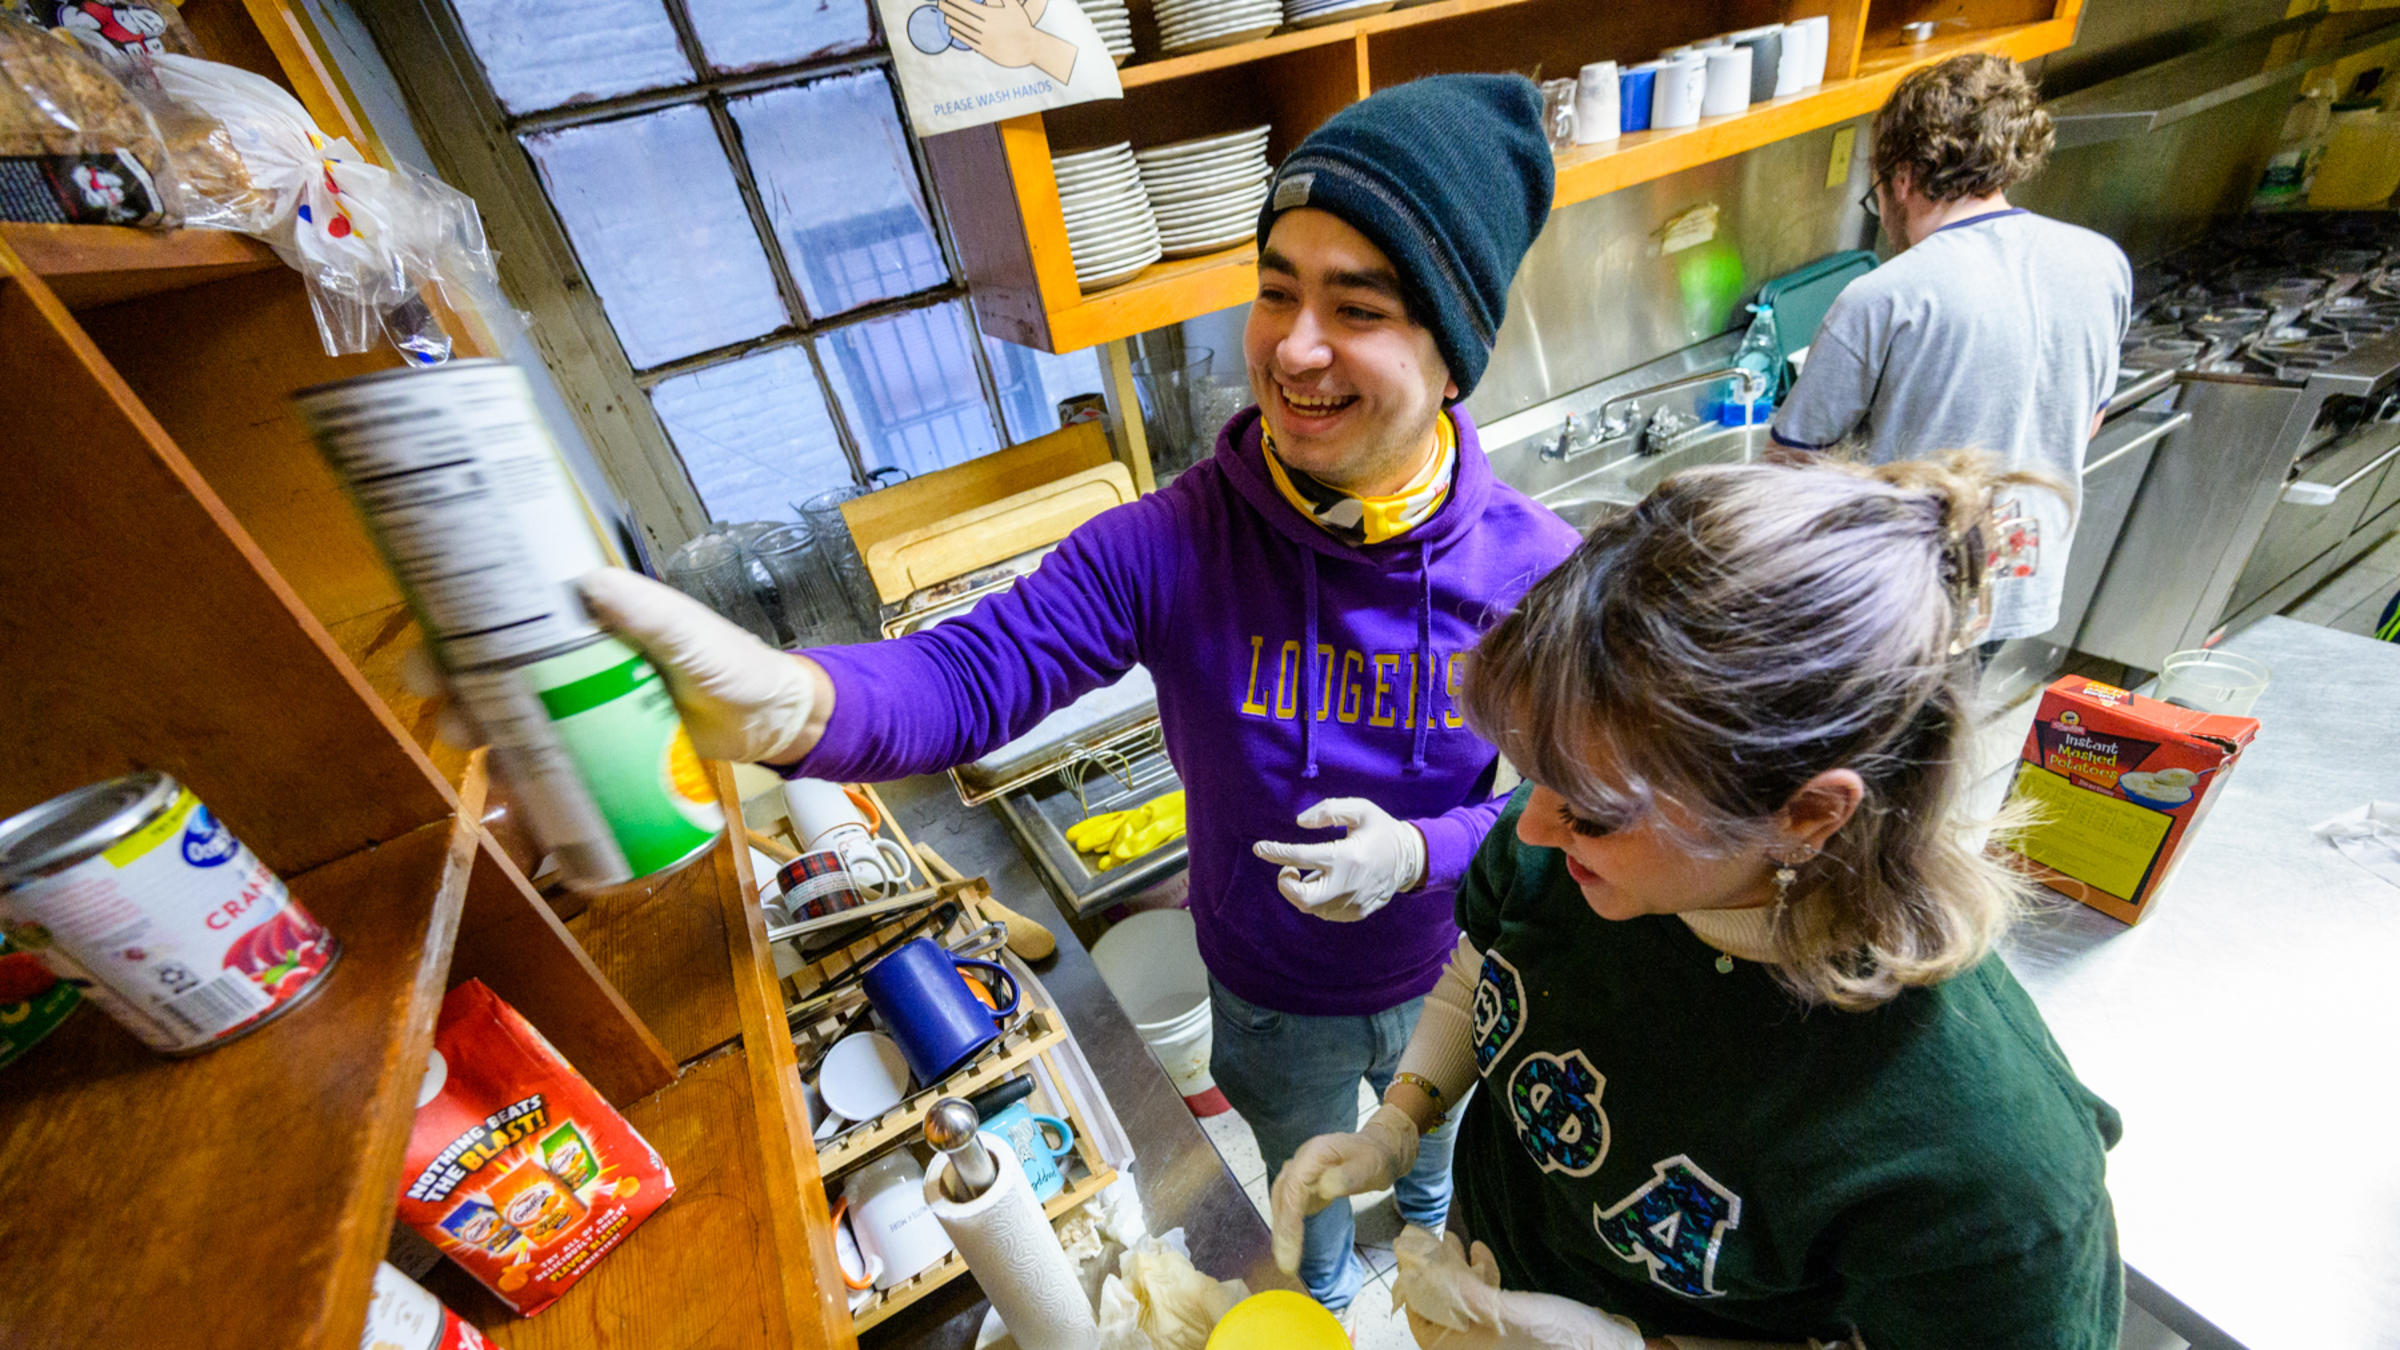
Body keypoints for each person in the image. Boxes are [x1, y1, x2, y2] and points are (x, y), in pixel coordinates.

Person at [571, 75, 1581, 1312]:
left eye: (1357, 308)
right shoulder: (1174, 541)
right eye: (1277, 291)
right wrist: (799, 709)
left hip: (1450, 970)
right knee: (1305, 1186)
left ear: (1452, 348)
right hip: (1267, 995)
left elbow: (1567, 810)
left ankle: (1417, 1224)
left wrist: (1421, 856)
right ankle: (1324, 1290)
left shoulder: (1538, 571)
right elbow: (975, 670)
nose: (1294, 347)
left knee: (1425, 1159)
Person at [1270, 453, 2124, 1348]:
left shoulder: (1981, 1166)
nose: (1532, 828)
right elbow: (1487, 961)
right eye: (1538, 777)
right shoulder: (1579, 845)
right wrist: (1403, 1118)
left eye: (1594, 812)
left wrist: (1635, 1346)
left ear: (1804, 814)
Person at [1770, 53, 2132, 647]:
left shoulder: (1885, 294)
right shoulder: (2101, 262)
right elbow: (2087, 421)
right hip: (2020, 575)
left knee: (1886, 737)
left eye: (1879, 189)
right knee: (1949, 727)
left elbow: (1789, 471)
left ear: (1904, 177)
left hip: (1906, 593)